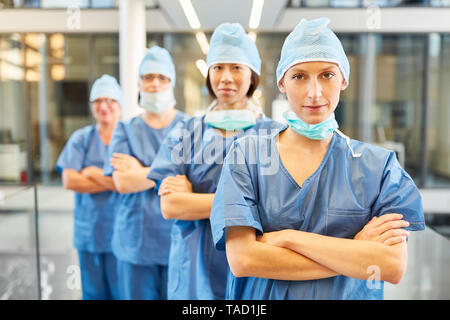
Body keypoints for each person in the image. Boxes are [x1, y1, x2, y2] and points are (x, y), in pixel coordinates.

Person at [209, 18, 426, 300]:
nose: (314, 92)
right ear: (282, 83)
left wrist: (288, 237)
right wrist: (353, 250)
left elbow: (391, 265)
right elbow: (243, 260)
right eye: (299, 76)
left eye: (327, 75)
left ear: (344, 79)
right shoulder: (246, 157)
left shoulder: (379, 167)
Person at [147, 23, 285, 300]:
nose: (225, 77)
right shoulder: (186, 132)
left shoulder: (275, 135)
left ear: (252, 75)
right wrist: (246, 205)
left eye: (236, 68)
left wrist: (195, 201)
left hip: (254, 266)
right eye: (218, 67)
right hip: (193, 269)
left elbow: (279, 208)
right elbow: (171, 205)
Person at [103, 46, 189, 300]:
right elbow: (123, 182)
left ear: (172, 83)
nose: (155, 84)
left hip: (179, 240)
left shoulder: (191, 127)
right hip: (135, 244)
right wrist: (170, 171)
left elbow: (191, 182)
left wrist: (141, 171)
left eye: (162, 78)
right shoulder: (125, 129)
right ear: (139, 83)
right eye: (148, 77)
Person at [57, 74, 123, 300]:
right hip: (90, 233)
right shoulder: (81, 139)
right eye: (97, 101)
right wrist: (112, 182)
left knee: (122, 293)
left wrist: (93, 174)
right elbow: (70, 180)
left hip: (121, 232)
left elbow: (130, 184)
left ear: (120, 105)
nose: (104, 106)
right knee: (93, 294)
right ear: (91, 106)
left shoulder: (128, 138)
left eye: (110, 100)